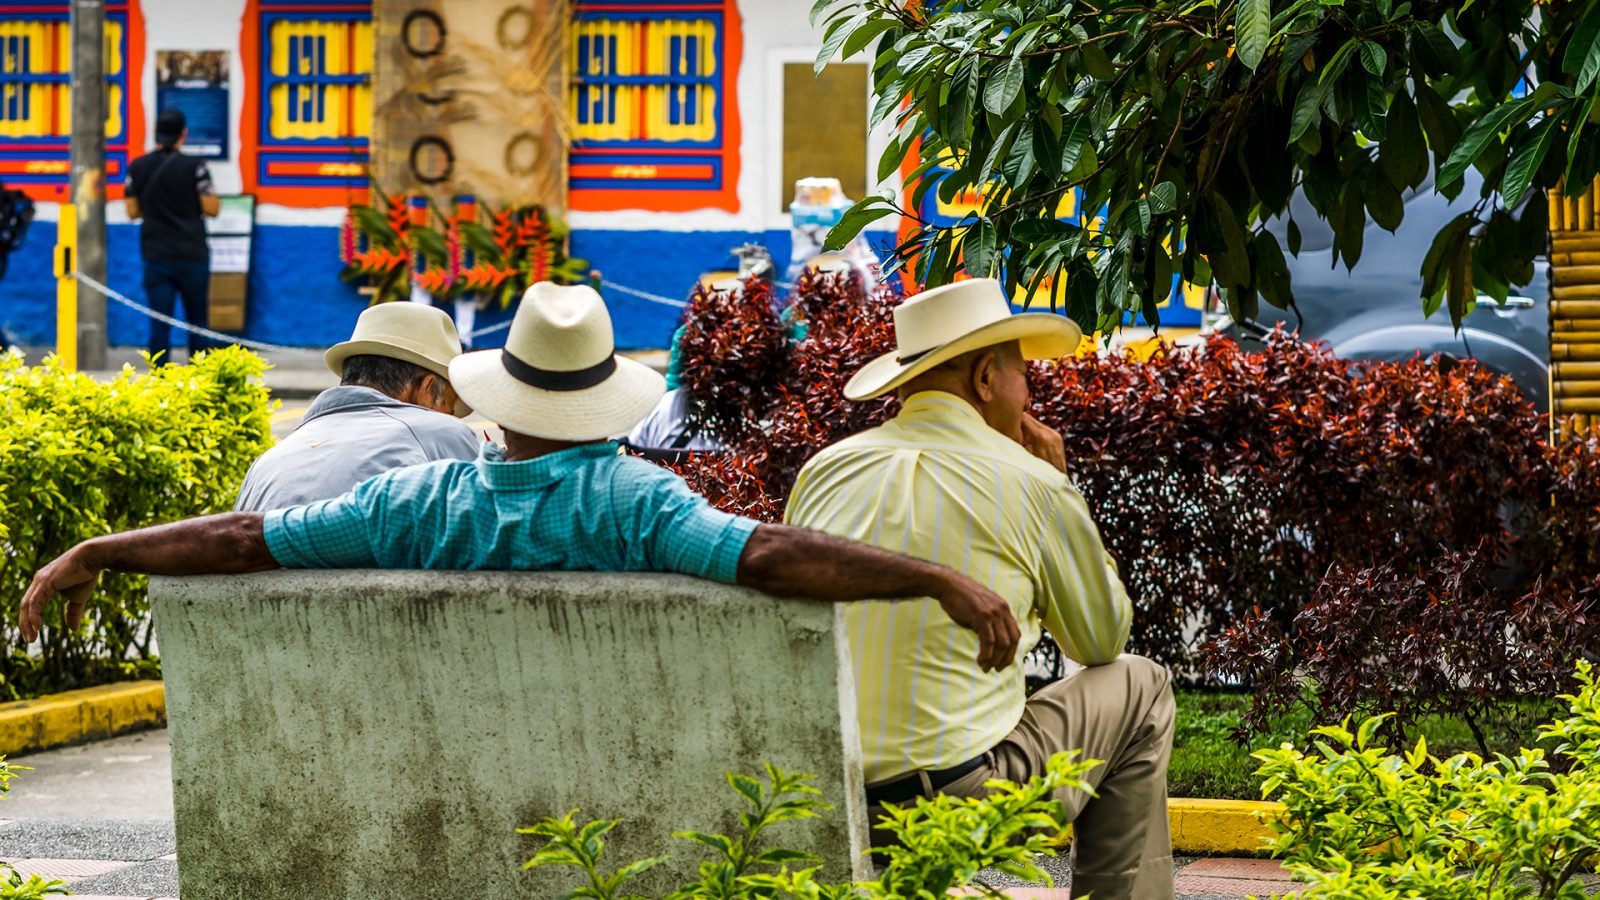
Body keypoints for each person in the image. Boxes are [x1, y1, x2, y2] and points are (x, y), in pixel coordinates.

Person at [20, 283, 1023, 678]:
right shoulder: (635, 506)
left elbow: (245, 541)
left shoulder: (413, 506)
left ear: (501, 398)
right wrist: (938, 577)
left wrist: (96, 549)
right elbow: (766, 553)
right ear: (601, 398)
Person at [785, 279, 1175, 900]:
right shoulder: (1033, 482)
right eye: (1023, 372)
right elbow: (1100, 641)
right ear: (987, 378)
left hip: (822, 790)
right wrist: (1063, 487)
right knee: (1142, 684)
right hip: (955, 800)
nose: (1030, 392)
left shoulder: (825, 470)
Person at [234, 303, 481, 511]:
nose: (449, 417)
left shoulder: (267, 462)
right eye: (447, 407)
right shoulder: (442, 433)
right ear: (426, 390)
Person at [125, 108, 219, 363]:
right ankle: (201, 378)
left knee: (158, 321)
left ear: (156, 134)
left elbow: (132, 212)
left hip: (156, 255)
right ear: (183, 134)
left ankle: (159, 379)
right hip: (192, 255)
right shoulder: (196, 167)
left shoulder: (137, 167)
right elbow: (212, 208)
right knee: (198, 321)